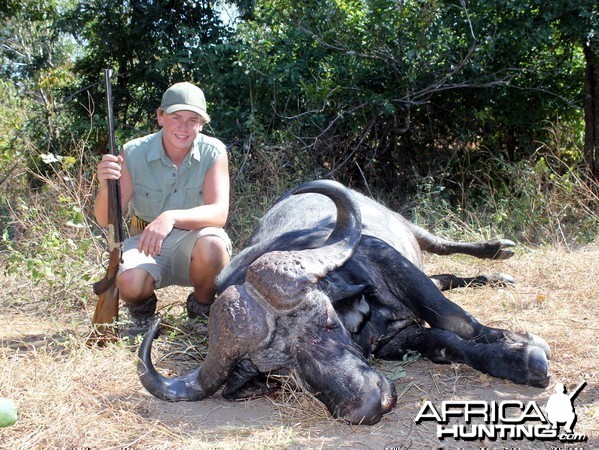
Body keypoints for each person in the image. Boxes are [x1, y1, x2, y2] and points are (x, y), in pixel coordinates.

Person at [93, 81, 232, 337]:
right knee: (129, 283)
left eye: (193, 119)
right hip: (145, 241)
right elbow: (105, 218)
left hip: (195, 241)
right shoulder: (133, 152)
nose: (183, 127)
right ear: (160, 117)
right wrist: (105, 186)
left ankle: (201, 310)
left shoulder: (214, 151)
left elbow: (218, 214)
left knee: (214, 245)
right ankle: (143, 315)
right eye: (176, 117)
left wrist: (170, 217)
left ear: (202, 123)